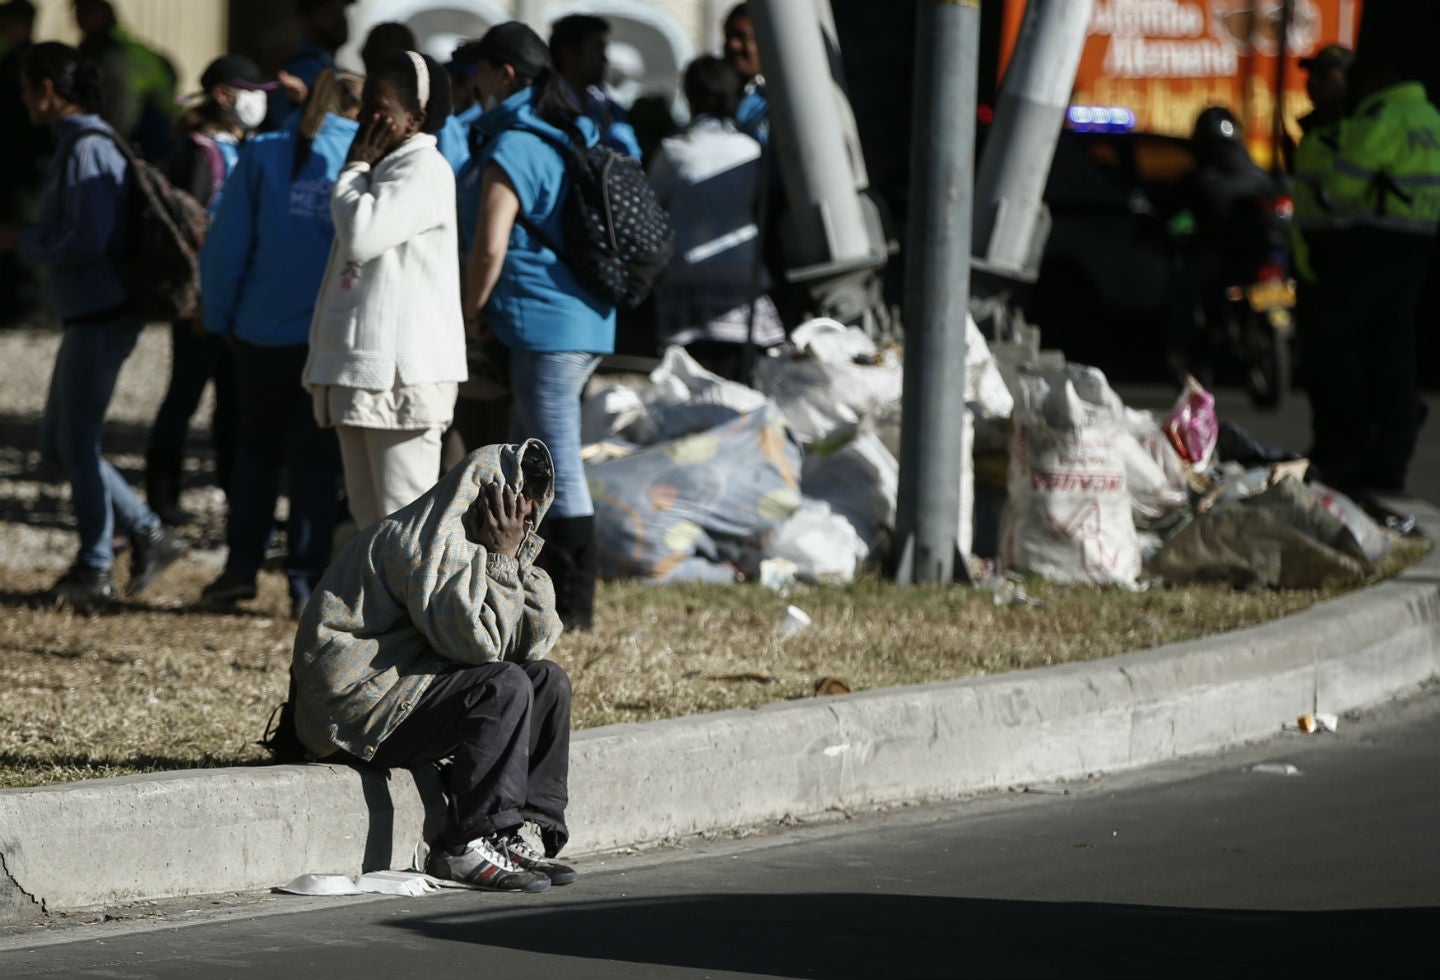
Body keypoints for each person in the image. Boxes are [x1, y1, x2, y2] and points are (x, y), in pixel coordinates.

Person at [291, 438, 576, 892]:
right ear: (483, 496)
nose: (521, 515)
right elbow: (480, 648)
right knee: (501, 686)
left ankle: (511, 830)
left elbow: (532, 648)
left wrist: (518, 559)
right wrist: (503, 559)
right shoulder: (423, 544)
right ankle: (462, 846)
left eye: (529, 508)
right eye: (512, 502)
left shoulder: (480, 544)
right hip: (359, 711)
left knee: (547, 679)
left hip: (407, 685)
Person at [0, 42, 186, 601]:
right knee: (61, 443)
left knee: (75, 442)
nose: (24, 99)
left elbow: (88, 238)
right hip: (90, 313)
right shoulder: (79, 144)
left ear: (48, 90)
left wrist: (20, 241)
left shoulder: (87, 149)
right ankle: (147, 534)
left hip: (101, 315)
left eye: (28, 87)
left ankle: (95, 566)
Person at [461, 21, 618, 630]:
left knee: (556, 462)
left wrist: (470, 311)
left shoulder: (515, 144)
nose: (472, 82)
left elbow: (489, 248)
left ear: (504, 75)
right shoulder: (563, 128)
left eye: (479, 70)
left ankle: (577, 609)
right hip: (580, 318)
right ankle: (536, 585)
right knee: (537, 459)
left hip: (547, 324)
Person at [199, 68, 363, 618]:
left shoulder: (266, 152)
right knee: (315, 463)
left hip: (260, 333)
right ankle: (305, 581)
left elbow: (226, 245)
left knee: (256, 451)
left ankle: (241, 568)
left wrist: (218, 313)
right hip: (331, 338)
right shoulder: (366, 160)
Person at [306, 50, 466, 532]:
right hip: (362, 376)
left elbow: (362, 235)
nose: (365, 119)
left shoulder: (422, 169)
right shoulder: (386, 167)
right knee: (369, 520)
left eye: (380, 108)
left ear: (415, 119)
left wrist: (353, 168)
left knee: (405, 522)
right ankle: (382, 611)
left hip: (401, 381)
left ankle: (417, 611)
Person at [145, 54, 274, 527]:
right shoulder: (199, 152)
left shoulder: (245, 145)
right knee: (184, 395)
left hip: (237, 300)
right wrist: (199, 300)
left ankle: (235, 493)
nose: (260, 103)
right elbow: (190, 234)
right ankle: (162, 497)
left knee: (233, 402)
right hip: (202, 302)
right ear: (223, 94)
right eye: (251, 91)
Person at [1306, 58, 1440, 491]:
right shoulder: (1428, 116)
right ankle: (1387, 444)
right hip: (1418, 242)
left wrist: (1332, 198)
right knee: (1392, 348)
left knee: (1350, 351)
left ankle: (1364, 446)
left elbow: (1342, 188)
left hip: (1373, 244)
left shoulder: (1380, 117)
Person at [647, 55, 784, 380]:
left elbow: (649, 210)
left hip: (684, 284)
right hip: (741, 280)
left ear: (689, 96)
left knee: (689, 387)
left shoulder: (673, 151)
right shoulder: (750, 151)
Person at [73, 0, 176, 161]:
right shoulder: (96, 47)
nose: (78, 17)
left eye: (86, 11)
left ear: (103, 13)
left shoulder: (112, 51)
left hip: (145, 129)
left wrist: (114, 138)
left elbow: (124, 101)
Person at [0, 0, 44, 326]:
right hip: (11, 163)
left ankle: (32, 306)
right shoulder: (10, 61)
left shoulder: (34, 63)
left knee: (26, 232)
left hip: (28, 166)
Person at [548, 14, 640, 159]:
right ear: (570, 54)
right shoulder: (543, 106)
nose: (605, 60)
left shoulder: (609, 111)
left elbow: (629, 158)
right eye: (598, 49)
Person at [264, 0, 355, 131]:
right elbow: (287, 129)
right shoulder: (302, 69)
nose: (341, 19)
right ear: (306, 19)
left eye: (341, 11)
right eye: (331, 12)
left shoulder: (327, 64)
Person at [722, 3, 766, 146]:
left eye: (742, 37)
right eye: (728, 37)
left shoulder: (781, 95)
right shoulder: (719, 96)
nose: (733, 45)